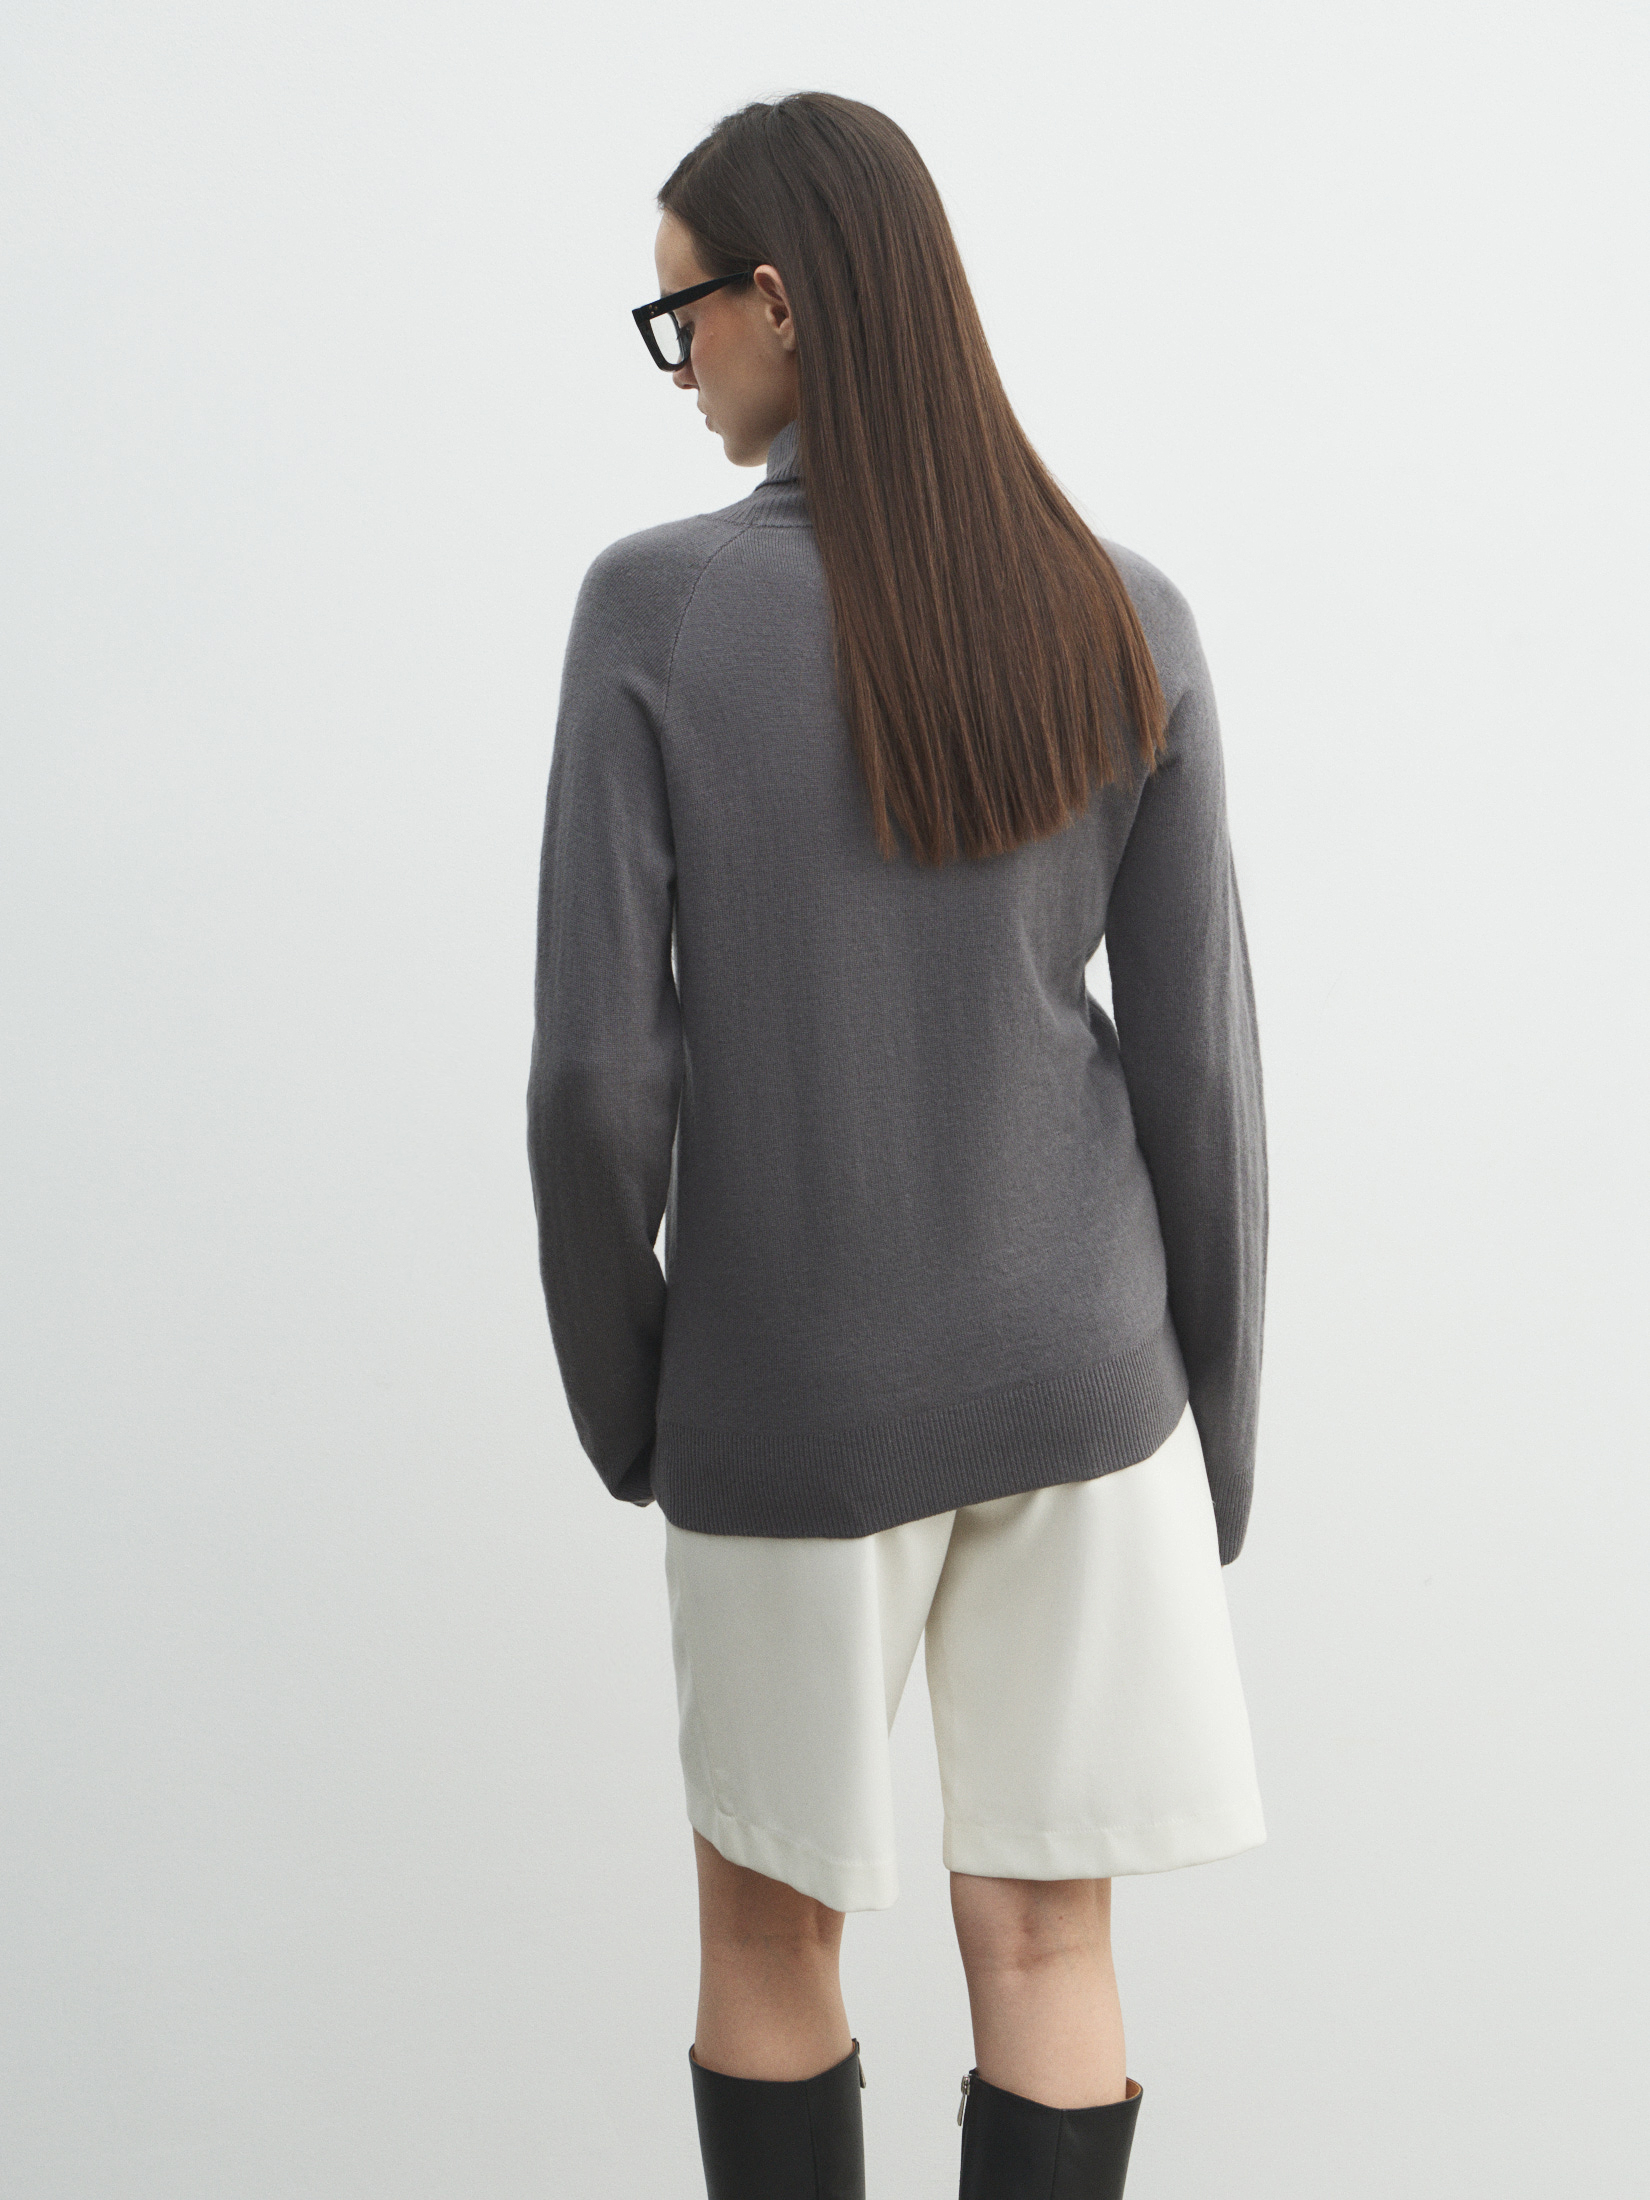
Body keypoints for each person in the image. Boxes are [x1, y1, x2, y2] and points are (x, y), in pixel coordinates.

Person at [527, 90, 1268, 2200]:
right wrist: (1209, 1425)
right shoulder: (1124, 609)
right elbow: (1203, 1073)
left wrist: (634, 1400)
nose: (679, 368)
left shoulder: (656, 614)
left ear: (776, 302)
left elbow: (596, 1083)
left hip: (791, 1392)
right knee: (1046, 1938)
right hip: (1088, 1382)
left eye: (680, 317)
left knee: (773, 1933)